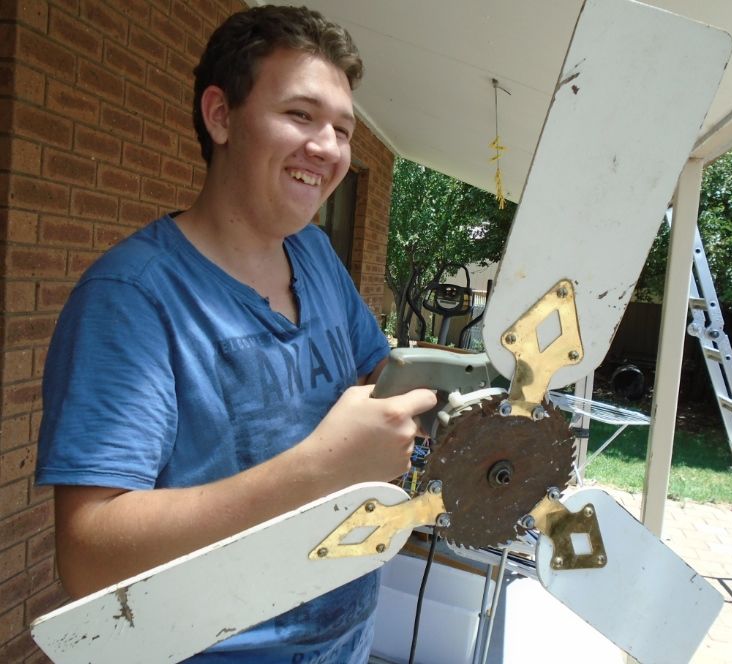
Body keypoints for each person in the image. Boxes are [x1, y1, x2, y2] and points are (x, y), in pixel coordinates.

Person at [35, 5, 437, 662]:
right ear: (220, 116)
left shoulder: (314, 256)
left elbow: (375, 376)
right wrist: (319, 468)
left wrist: (454, 395)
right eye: (301, 115)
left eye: (342, 128)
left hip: (346, 639)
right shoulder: (132, 298)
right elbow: (88, 558)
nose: (330, 148)